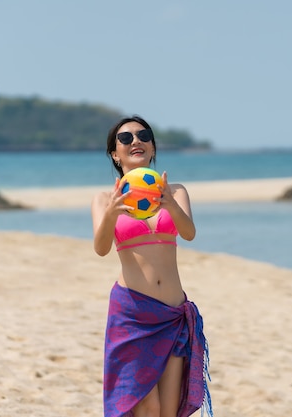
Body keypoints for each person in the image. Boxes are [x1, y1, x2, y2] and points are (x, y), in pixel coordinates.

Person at [91, 115, 212, 417]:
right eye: (125, 138)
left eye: (143, 135)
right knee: (147, 406)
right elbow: (101, 248)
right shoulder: (104, 199)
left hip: (171, 313)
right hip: (132, 314)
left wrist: (170, 203)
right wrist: (111, 213)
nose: (136, 141)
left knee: (168, 410)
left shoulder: (176, 191)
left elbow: (189, 233)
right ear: (114, 155)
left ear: (153, 148)